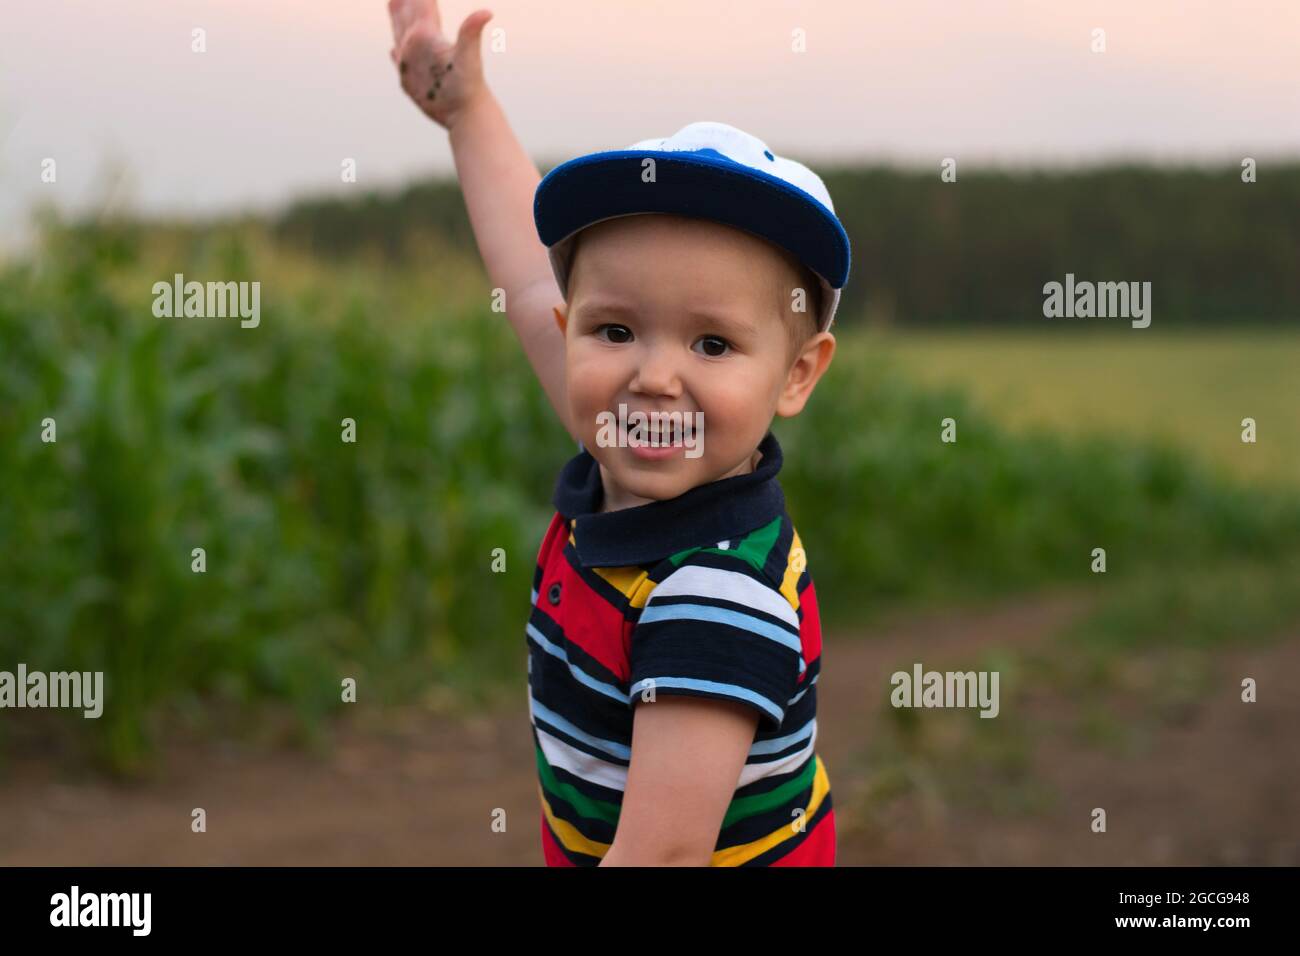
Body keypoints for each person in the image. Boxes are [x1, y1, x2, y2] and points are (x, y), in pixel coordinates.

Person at [388, 0, 849, 866]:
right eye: (616, 330)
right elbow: (529, 278)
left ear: (796, 374)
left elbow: (663, 855)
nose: (655, 374)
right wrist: (467, 110)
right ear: (571, 333)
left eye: (712, 343)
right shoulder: (627, 440)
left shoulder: (715, 592)